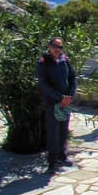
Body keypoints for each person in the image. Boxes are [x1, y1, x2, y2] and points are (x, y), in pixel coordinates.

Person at [36, 37, 76, 175]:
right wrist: (59, 97)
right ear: (49, 46)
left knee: (63, 129)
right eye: (55, 46)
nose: (57, 49)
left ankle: (62, 155)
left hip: (66, 101)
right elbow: (43, 84)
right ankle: (52, 161)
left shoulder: (64, 60)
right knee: (53, 131)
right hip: (53, 101)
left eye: (60, 47)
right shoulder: (43, 62)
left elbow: (72, 78)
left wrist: (69, 96)